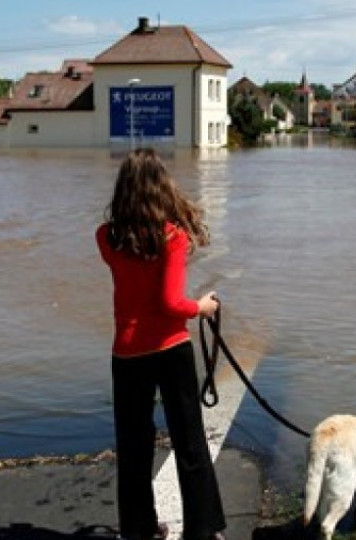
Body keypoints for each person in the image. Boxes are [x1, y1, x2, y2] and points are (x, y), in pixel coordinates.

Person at [96, 148, 226, 540]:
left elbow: (134, 283)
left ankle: (139, 530)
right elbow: (170, 304)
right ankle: (202, 531)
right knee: (189, 442)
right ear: (162, 187)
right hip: (169, 349)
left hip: (127, 352)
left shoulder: (106, 236)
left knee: (133, 446)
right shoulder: (172, 236)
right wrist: (202, 307)